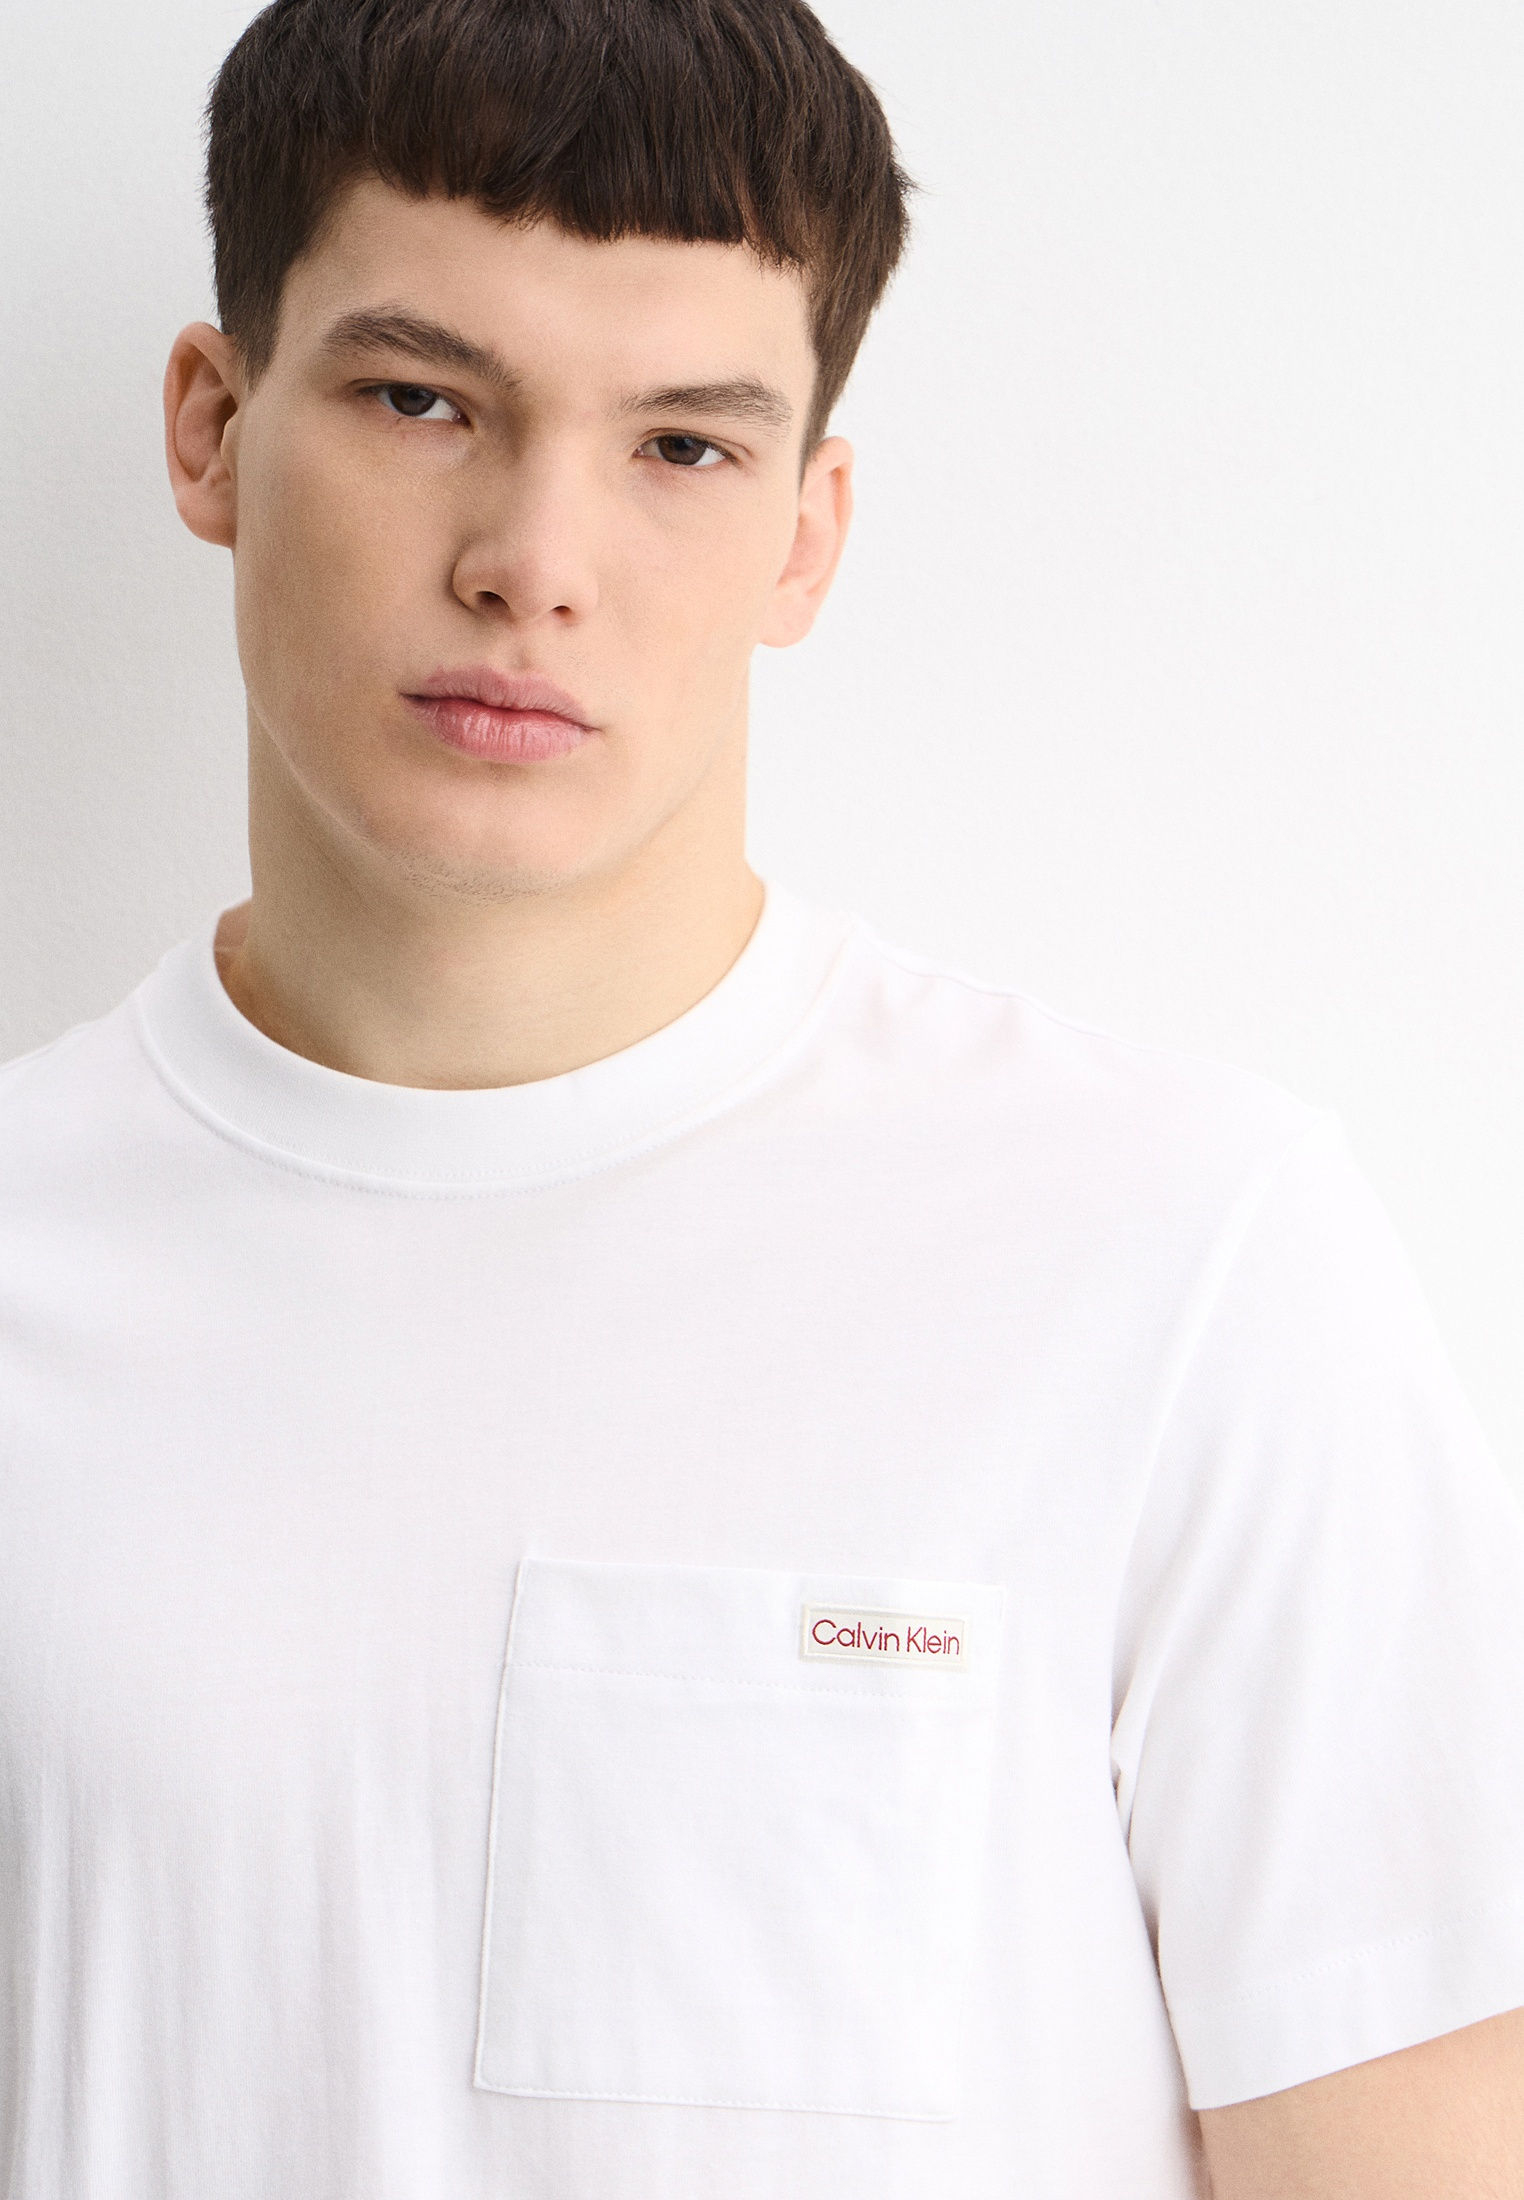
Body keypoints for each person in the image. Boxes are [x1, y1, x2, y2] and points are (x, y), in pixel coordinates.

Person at [2, 0, 1522, 2192]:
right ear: (213, 428)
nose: (533, 557)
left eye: (682, 449)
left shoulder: (1182, 1259)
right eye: (422, 398)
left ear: (809, 533)